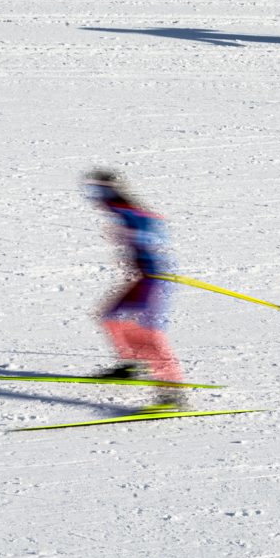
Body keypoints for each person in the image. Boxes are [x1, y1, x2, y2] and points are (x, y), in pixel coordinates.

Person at [83, 169, 186, 411]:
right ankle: (131, 365)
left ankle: (172, 393)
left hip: (155, 280)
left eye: (98, 190)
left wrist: (136, 239)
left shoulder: (133, 214)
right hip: (142, 278)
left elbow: (152, 236)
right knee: (110, 317)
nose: (95, 196)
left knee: (147, 334)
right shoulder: (122, 212)